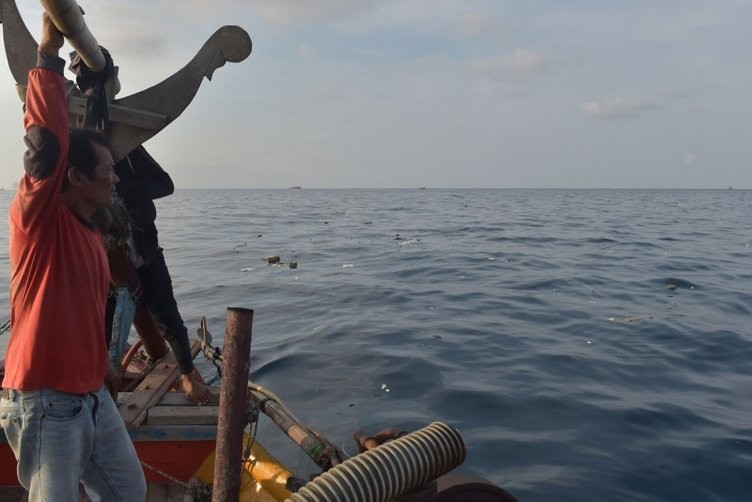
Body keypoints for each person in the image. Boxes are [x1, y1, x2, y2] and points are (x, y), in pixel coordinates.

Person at [0, 13, 146, 501]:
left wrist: (102, 366)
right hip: (47, 404)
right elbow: (46, 144)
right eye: (106, 168)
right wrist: (47, 58)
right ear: (76, 178)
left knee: (129, 491)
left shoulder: (90, 232)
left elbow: (82, 313)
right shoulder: (41, 221)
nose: (116, 177)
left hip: (92, 397)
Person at [101, 146, 210, 405]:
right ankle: (101, 379)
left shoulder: (128, 150)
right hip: (108, 262)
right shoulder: (82, 158)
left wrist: (123, 187)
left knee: (167, 315)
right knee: (103, 323)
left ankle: (186, 374)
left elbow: (164, 185)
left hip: (146, 251)